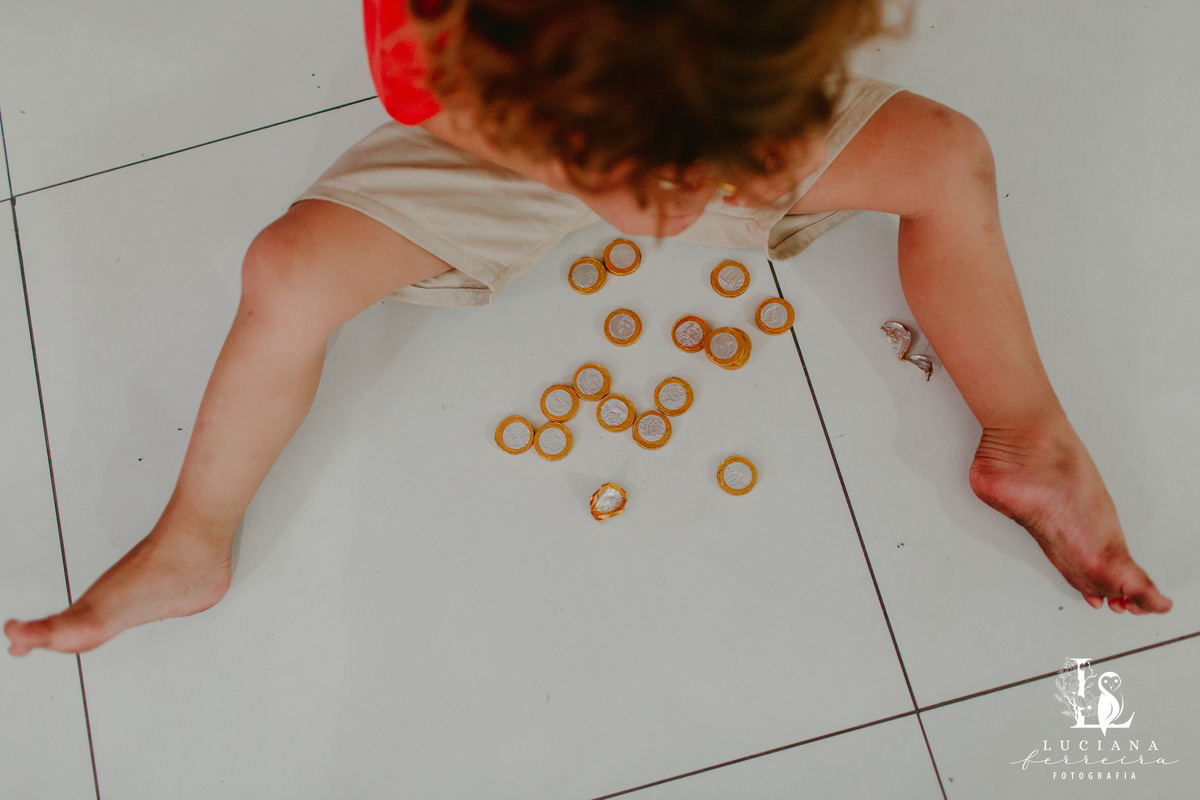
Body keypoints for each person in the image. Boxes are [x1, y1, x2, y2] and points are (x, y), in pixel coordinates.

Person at [3, 0, 1171, 657]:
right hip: (532, 123)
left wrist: (747, 138)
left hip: (692, 88)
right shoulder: (448, 54)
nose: (675, 222)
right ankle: (192, 536)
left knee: (950, 156)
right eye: (645, 191)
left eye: (711, 178)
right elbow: (471, 112)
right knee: (287, 273)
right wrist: (571, 164)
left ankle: (1029, 434)